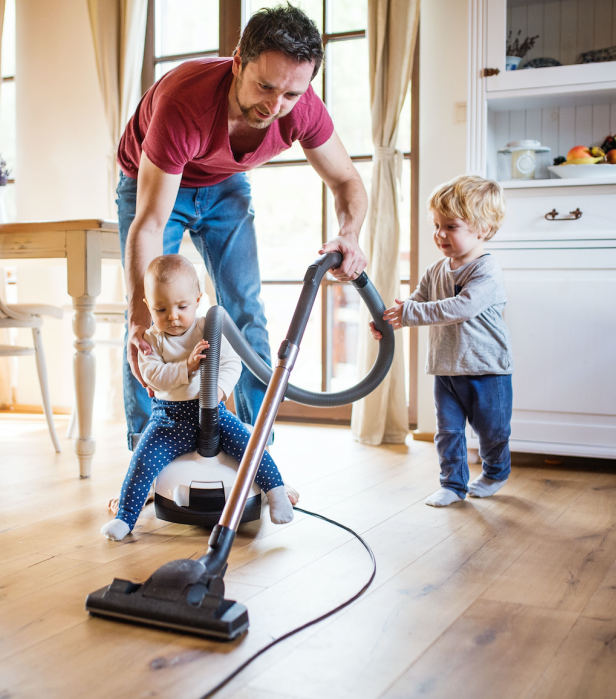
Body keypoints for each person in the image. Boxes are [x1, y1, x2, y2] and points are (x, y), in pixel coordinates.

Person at [117, 3, 368, 450]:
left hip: (225, 183)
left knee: (246, 312)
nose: (276, 106)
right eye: (265, 86)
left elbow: (347, 179)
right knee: (148, 322)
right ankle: (147, 452)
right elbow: (151, 223)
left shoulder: (301, 107)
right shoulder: (184, 102)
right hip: (153, 184)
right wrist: (138, 315)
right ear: (237, 63)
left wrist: (349, 234)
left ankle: (256, 453)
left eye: (291, 95)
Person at [101, 255, 297, 541]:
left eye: (182, 306)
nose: (172, 316)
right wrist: (187, 367)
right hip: (168, 420)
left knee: (250, 446)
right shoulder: (150, 340)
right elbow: (153, 375)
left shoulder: (208, 327)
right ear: (147, 306)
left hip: (213, 414)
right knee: (142, 461)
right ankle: (126, 518)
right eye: (160, 308)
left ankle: (276, 493)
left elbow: (232, 363)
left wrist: (218, 390)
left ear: (197, 299)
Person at [370, 175, 513, 507]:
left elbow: (463, 307)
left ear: (483, 228)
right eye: (437, 225)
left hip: (486, 370)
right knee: (448, 432)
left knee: (491, 432)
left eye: (450, 226)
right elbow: (416, 304)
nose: (439, 234)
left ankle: (495, 473)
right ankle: (452, 484)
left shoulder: (486, 271)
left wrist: (410, 314)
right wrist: (389, 321)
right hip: (446, 368)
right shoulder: (435, 270)